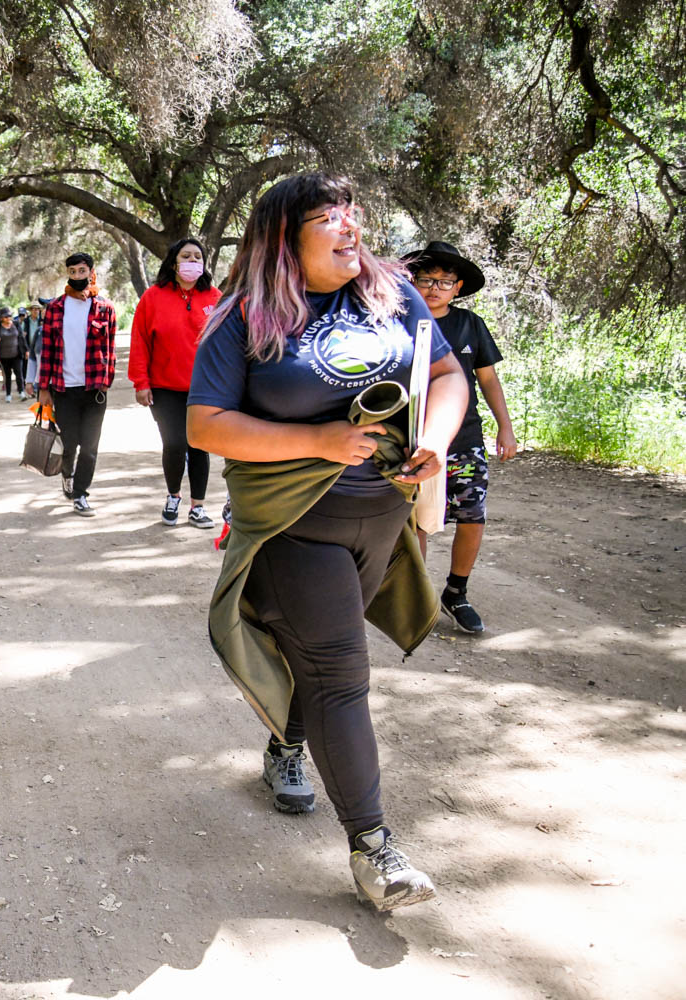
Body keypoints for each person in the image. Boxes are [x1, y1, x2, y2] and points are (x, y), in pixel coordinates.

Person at [188, 172, 468, 911]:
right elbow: (206, 425)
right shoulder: (242, 316)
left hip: (383, 519)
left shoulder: (390, 292)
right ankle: (375, 850)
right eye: (327, 216)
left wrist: (436, 438)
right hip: (293, 525)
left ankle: (286, 743)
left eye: (352, 212)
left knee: (317, 662)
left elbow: (447, 373)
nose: (349, 225)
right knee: (341, 674)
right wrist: (316, 440)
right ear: (285, 236)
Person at [402, 242, 517, 634]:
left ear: (458, 287)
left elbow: (488, 380)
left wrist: (505, 426)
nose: (434, 288)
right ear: (412, 281)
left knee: (472, 516)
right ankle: (417, 598)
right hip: (412, 440)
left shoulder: (470, 325)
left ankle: (456, 592)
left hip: (464, 440)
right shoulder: (399, 321)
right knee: (416, 521)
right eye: (426, 280)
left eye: (444, 282)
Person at [129, 236, 223, 528]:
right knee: (174, 443)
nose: (192, 261)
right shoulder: (153, 297)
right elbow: (140, 341)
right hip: (164, 387)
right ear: (173, 263)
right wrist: (141, 382)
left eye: (197, 257)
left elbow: (225, 343)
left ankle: (198, 507)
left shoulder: (214, 297)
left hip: (204, 388)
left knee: (199, 445)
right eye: (186, 256)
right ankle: (173, 496)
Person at [36, 253, 118, 516]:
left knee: (90, 447)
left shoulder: (105, 308)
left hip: (94, 389)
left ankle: (81, 494)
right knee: (69, 443)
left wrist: (106, 381)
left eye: (82, 271)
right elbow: (47, 350)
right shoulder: (56, 308)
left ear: (91, 272)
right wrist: (44, 388)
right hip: (64, 389)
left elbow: (111, 348)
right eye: (72, 272)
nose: (77, 276)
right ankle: (67, 474)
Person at [0, 307, 26, 402]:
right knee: (7, 375)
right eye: (6, 316)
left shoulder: (16, 324)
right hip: (4, 356)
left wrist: (26, 350)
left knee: (19, 373)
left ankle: (21, 392)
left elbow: (21, 337)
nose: (8, 318)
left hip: (16, 354)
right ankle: (8, 394)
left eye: (9, 316)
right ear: (1, 318)